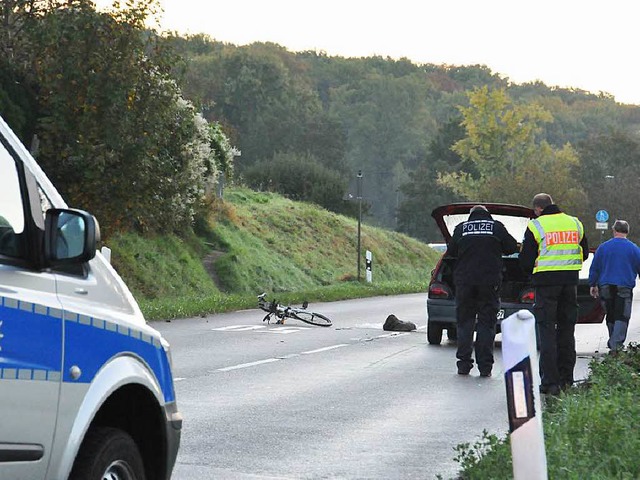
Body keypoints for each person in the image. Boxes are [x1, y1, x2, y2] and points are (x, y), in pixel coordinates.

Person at [519, 193, 588, 395]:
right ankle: (567, 379)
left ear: (538, 209)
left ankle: (550, 382)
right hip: (570, 283)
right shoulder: (575, 223)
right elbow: (583, 252)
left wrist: (531, 273)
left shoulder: (536, 226)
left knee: (547, 331)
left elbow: (526, 260)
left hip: (546, 284)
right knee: (567, 331)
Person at [446, 205, 518, 377]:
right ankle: (485, 366)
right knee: (487, 323)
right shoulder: (496, 227)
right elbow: (511, 248)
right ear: (487, 215)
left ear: (471, 216)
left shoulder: (461, 228)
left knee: (464, 322)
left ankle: (463, 364)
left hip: (464, 282)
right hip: (489, 282)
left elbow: (451, 253)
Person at [588, 220, 640, 352]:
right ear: (627, 232)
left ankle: (613, 340)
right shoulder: (634, 249)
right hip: (624, 286)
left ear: (614, 230)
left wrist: (593, 284)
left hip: (605, 286)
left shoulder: (603, 247)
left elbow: (595, 268)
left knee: (610, 314)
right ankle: (616, 344)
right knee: (622, 315)